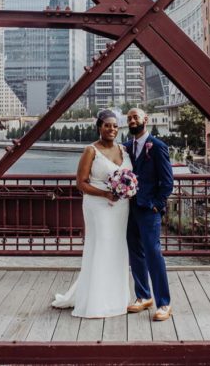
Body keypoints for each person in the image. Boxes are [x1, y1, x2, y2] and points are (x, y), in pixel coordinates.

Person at [51, 109, 133, 317]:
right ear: (99, 127)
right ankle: (97, 302)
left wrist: (127, 189)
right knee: (102, 248)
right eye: (107, 125)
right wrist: (106, 194)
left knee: (117, 249)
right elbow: (81, 183)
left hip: (121, 208)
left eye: (115, 125)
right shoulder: (90, 151)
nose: (112, 129)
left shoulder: (124, 149)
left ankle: (116, 299)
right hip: (98, 206)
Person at [124, 108, 174, 321]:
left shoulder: (158, 147)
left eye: (135, 117)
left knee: (154, 254)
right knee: (135, 253)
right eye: (129, 118)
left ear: (146, 120)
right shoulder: (126, 147)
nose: (132, 120)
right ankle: (143, 296)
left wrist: (157, 204)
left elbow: (168, 182)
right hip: (129, 209)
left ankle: (164, 303)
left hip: (149, 210)